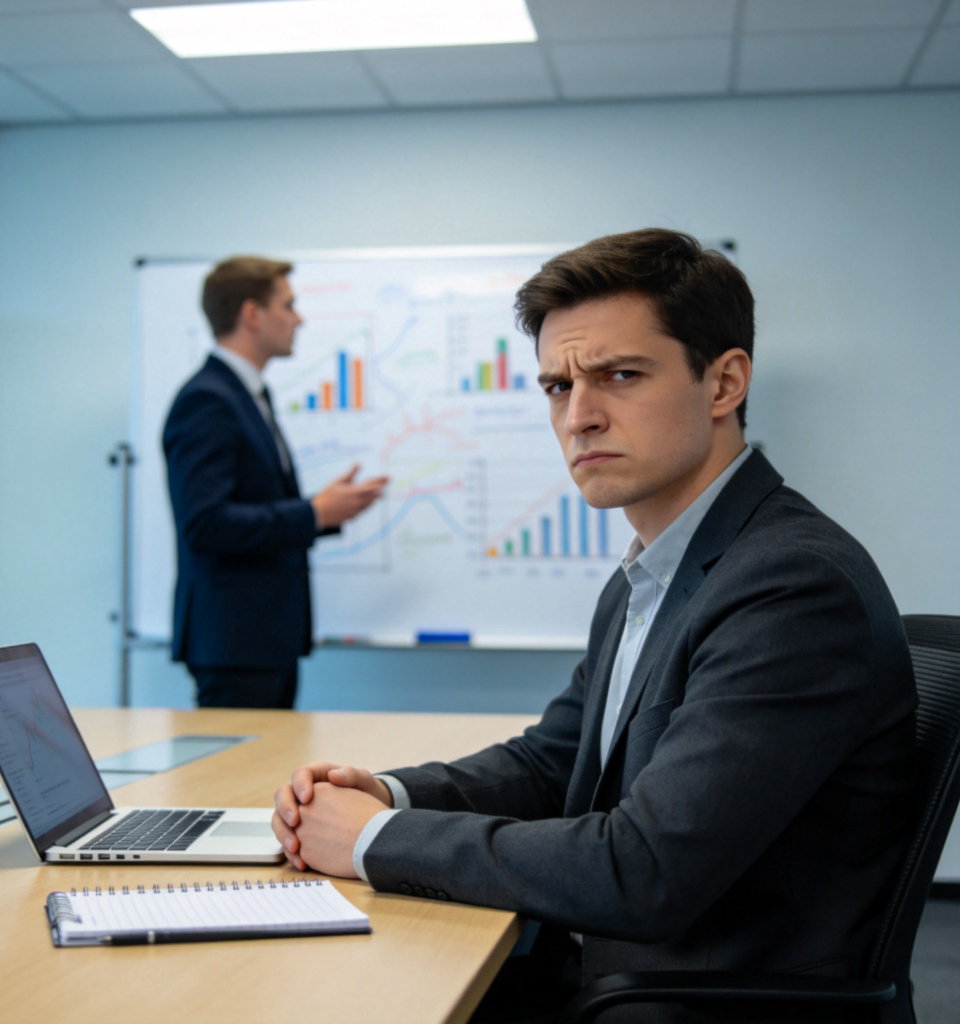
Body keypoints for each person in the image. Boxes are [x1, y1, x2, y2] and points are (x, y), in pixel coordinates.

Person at [272, 229, 917, 1020]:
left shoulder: (789, 586)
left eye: (620, 375)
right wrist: (388, 793)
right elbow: (555, 764)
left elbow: (643, 871)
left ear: (724, 383)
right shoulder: (653, 572)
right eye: (557, 386)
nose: (579, 418)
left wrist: (373, 840)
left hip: (691, 1004)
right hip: (606, 975)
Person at [163, 256, 388, 709]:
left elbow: (246, 504)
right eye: (288, 305)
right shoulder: (208, 399)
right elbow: (205, 523)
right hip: (234, 642)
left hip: (261, 639)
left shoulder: (247, 394)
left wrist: (326, 511)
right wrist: (313, 513)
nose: (298, 318)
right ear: (252, 314)